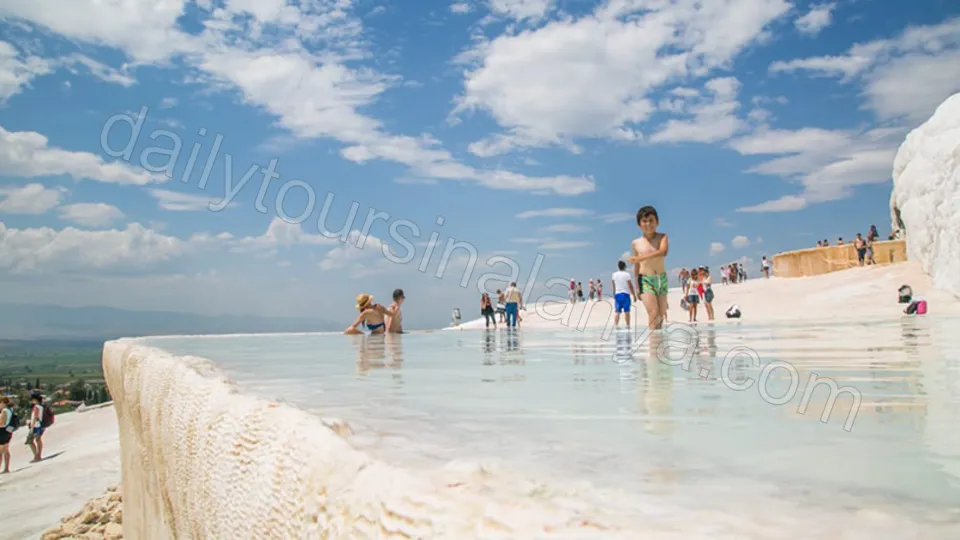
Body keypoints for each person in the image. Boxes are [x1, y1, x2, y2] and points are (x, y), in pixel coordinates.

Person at [626, 206, 670, 330]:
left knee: (660, 316)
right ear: (639, 224)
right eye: (644, 221)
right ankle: (653, 346)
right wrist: (637, 286)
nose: (648, 224)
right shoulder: (636, 243)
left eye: (651, 220)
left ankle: (658, 346)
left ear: (657, 222)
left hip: (661, 279)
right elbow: (636, 265)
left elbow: (663, 252)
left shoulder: (662, 237)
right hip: (645, 279)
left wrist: (641, 258)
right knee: (653, 312)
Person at [611, 260, 637, 328]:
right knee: (627, 311)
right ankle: (628, 325)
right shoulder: (627, 274)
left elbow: (613, 285)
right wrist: (634, 295)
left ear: (618, 267)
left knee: (617, 311)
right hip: (625, 294)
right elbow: (630, 285)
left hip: (617, 294)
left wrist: (614, 293)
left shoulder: (614, 274)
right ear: (624, 267)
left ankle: (616, 325)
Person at [28, 392, 45, 462]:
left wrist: (31, 428)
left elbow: (35, 417)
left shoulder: (36, 407)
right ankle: (38, 455)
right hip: (40, 425)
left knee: (30, 441)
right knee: (38, 440)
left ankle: (37, 456)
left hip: (36, 426)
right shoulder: (41, 406)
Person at [1, 396, 14, 473]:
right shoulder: (10, 410)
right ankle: (6, 468)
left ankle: (5, 469)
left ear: (2, 403)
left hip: (2, 431)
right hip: (8, 431)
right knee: (6, 450)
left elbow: (2, 423)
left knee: (0, 452)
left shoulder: (4, 411)